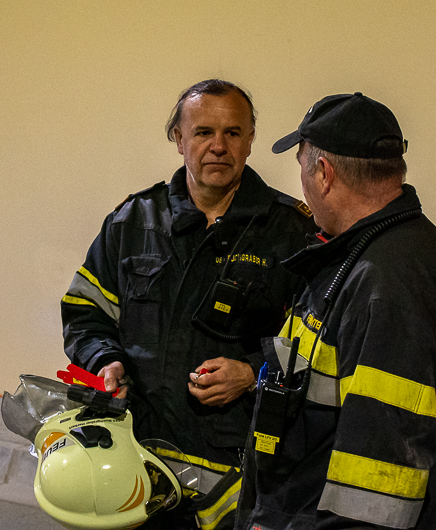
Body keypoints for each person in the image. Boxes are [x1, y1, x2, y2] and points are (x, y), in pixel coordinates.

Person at [61, 79, 316, 528]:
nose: (218, 146)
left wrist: (252, 373)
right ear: (179, 139)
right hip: (133, 463)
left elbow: (319, 340)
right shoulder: (132, 221)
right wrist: (105, 360)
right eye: (203, 132)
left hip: (238, 477)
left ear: (250, 140)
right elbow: (85, 310)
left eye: (232, 133)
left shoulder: (291, 233)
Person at [237, 92, 436, 530]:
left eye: (302, 168)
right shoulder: (387, 249)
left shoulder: (387, 283)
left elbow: (375, 491)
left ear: (323, 173)